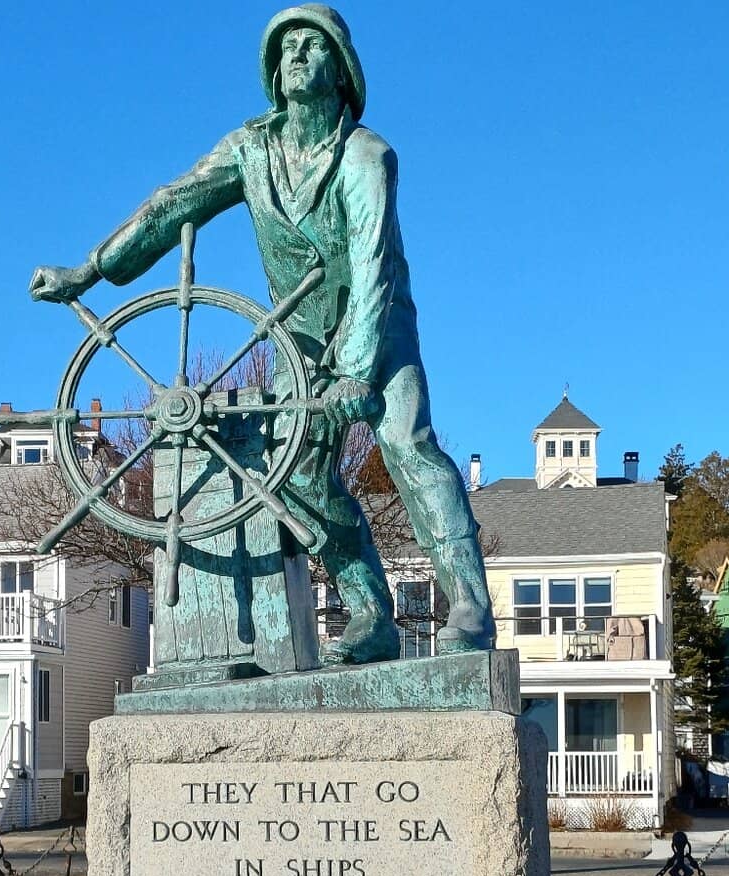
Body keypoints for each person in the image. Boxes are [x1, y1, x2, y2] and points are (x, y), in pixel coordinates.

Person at [31, 5, 495, 660]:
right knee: (295, 477)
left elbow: (373, 267)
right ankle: (370, 612)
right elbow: (173, 204)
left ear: (343, 70)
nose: (298, 55)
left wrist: (359, 372)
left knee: (409, 449)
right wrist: (92, 271)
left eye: (313, 45)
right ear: (274, 74)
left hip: (379, 331)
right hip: (298, 345)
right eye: (287, 49)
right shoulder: (251, 150)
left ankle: (470, 607)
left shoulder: (368, 158)